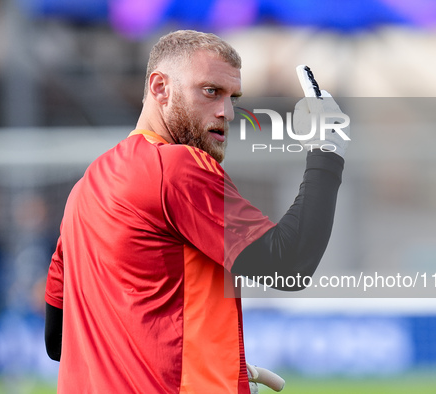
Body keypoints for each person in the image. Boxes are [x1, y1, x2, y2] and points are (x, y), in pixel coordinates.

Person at [45, 29, 347, 393]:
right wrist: (326, 150)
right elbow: (290, 264)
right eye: (210, 91)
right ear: (160, 88)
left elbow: (56, 340)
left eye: (232, 96)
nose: (228, 112)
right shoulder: (174, 166)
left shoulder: (83, 191)